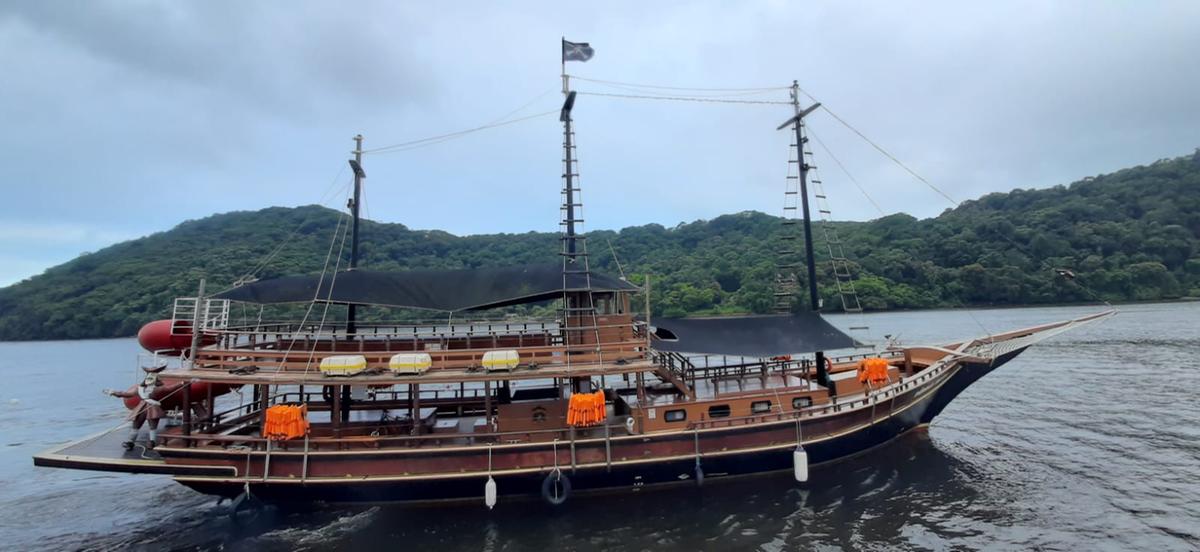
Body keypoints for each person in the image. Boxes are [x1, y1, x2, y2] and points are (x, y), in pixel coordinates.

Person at [103, 365, 185, 450]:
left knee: (152, 426)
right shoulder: (140, 389)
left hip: (153, 407)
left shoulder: (159, 388)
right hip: (142, 407)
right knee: (136, 424)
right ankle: (130, 441)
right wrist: (114, 393)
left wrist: (182, 383)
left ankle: (152, 441)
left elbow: (170, 389)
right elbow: (127, 394)